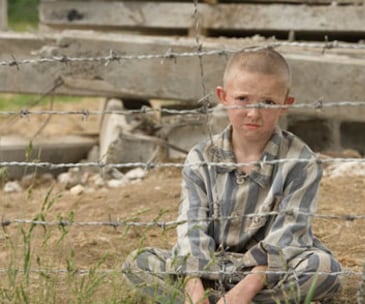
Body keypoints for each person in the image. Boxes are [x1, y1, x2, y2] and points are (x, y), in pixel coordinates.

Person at [123, 48, 342, 304]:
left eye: (268, 102)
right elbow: (191, 228)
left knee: (324, 269)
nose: (253, 113)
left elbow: (289, 235)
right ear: (223, 97)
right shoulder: (201, 158)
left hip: (270, 271)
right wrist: (196, 290)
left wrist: (242, 293)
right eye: (242, 99)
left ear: (285, 105)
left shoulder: (300, 162)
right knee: (138, 263)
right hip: (210, 268)